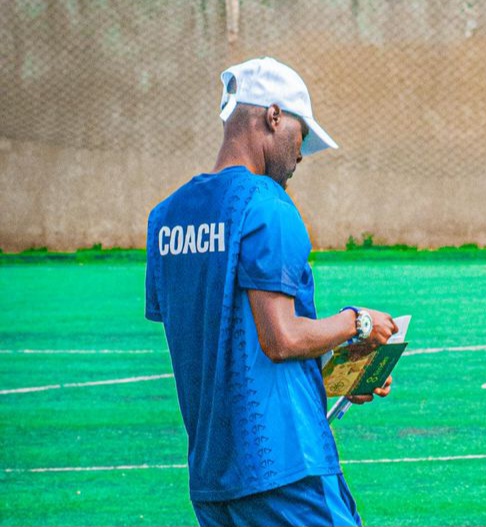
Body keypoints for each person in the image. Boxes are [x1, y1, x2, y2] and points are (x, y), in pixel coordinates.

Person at [145, 57, 398, 527]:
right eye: (301, 136)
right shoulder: (268, 204)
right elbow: (279, 339)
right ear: (273, 116)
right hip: (284, 466)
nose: (300, 155)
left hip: (213, 478)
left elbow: (221, 347)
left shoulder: (166, 219)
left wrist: (337, 377)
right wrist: (357, 321)